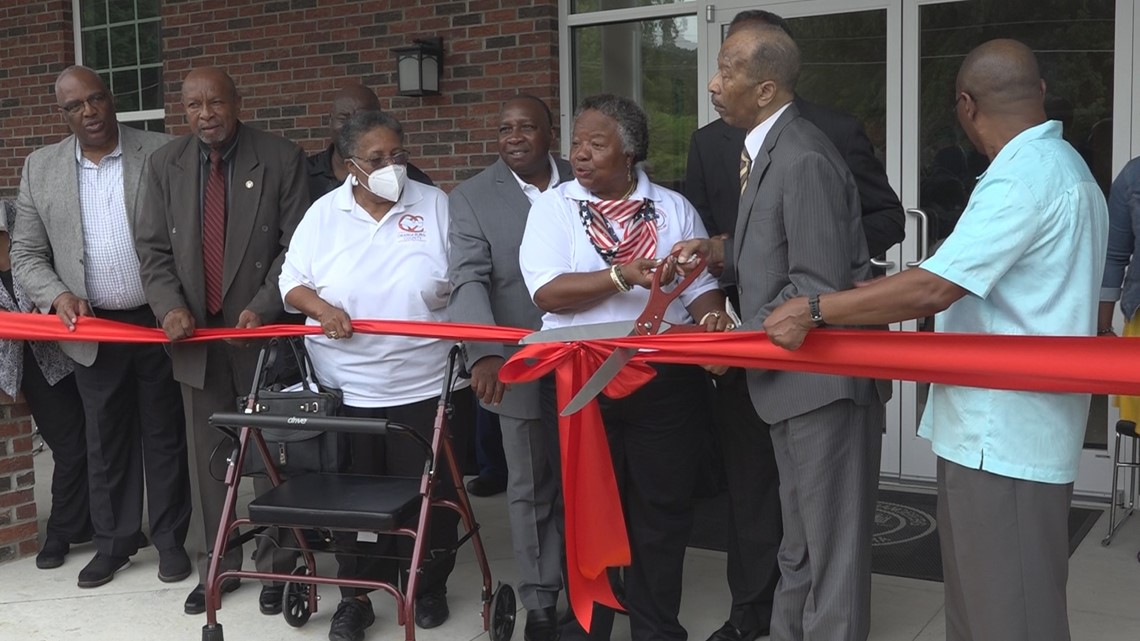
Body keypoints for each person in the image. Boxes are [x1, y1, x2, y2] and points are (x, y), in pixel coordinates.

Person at [762, 39, 1108, 641]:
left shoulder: (1023, 179)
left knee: (1007, 615)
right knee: (981, 608)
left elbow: (933, 288)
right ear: (1041, 93)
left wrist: (815, 308)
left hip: (1002, 439)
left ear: (966, 105)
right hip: (1009, 430)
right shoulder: (1061, 167)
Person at [681, 11, 904, 641]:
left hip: (822, 390)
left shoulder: (801, 156)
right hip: (790, 389)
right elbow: (779, 250)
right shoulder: (768, 149)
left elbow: (815, 287)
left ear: (767, 90)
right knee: (799, 547)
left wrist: (736, 341)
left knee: (829, 555)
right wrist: (718, 250)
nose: (714, 84)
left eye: (727, 71)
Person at [520, 93, 729, 641]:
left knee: (661, 509)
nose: (579, 154)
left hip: (663, 383)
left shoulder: (673, 208)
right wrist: (620, 276)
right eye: (576, 142)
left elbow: (700, 286)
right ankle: (586, 627)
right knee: (584, 508)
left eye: (596, 143)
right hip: (578, 380)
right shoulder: (554, 207)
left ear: (630, 151)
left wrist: (714, 322)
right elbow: (547, 293)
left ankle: (657, 627)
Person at [280, 109, 473, 641]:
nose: (393, 167)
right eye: (377, 159)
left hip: (424, 382)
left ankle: (428, 583)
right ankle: (358, 596)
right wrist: (321, 309)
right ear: (350, 167)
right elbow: (291, 282)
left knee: (430, 497)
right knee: (355, 499)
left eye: (399, 155)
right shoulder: (323, 214)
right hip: (348, 386)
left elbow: (466, 277)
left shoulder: (435, 206)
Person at [135, 66, 308, 616]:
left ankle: (280, 565)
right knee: (211, 456)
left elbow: (296, 247)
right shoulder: (165, 164)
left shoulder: (281, 158)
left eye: (215, 103)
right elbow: (152, 248)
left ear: (237, 101)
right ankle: (221, 560)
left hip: (260, 336)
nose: (205, 114)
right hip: (196, 340)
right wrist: (169, 308)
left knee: (272, 451)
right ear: (181, 111)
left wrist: (265, 304)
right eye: (192, 106)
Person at [11, 65, 192, 589]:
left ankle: (169, 541)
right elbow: (25, 254)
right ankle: (113, 545)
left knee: (164, 434)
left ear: (111, 100)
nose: (88, 113)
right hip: (91, 328)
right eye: (75, 106)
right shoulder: (39, 168)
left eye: (95, 100)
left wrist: (177, 304)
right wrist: (57, 294)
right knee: (104, 438)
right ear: (62, 114)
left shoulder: (162, 151)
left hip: (160, 322)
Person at [447, 94, 571, 641]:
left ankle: (597, 581)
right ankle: (542, 598)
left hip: (589, 357)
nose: (514, 137)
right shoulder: (472, 197)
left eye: (526, 126)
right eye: (504, 128)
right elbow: (468, 278)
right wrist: (486, 353)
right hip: (517, 360)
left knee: (595, 475)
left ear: (552, 131)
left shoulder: (588, 177)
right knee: (531, 480)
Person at [0, 200, 92, 570]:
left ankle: (101, 523)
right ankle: (60, 533)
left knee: (98, 441)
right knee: (71, 448)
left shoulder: (34, 252)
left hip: (74, 354)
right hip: (32, 368)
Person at [307, 83, 434, 200]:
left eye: (362, 119)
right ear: (331, 120)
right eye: (343, 118)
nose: (351, 126)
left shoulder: (414, 181)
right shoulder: (302, 174)